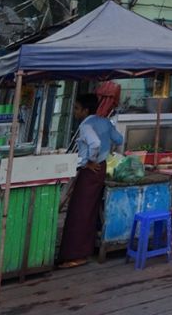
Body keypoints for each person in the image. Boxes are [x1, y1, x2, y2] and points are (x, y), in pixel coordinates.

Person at [58, 93, 123, 268]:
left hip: (89, 170)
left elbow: (93, 143)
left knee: (80, 212)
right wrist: (107, 153)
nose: (75, 112)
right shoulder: (105, 122)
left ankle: (76, 254)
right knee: (89, 210)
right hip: (100, 169)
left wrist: (90, 160)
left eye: (77, 108)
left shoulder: (86, 125)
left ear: (86, 110)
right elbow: (119, 139)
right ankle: (83, 250)